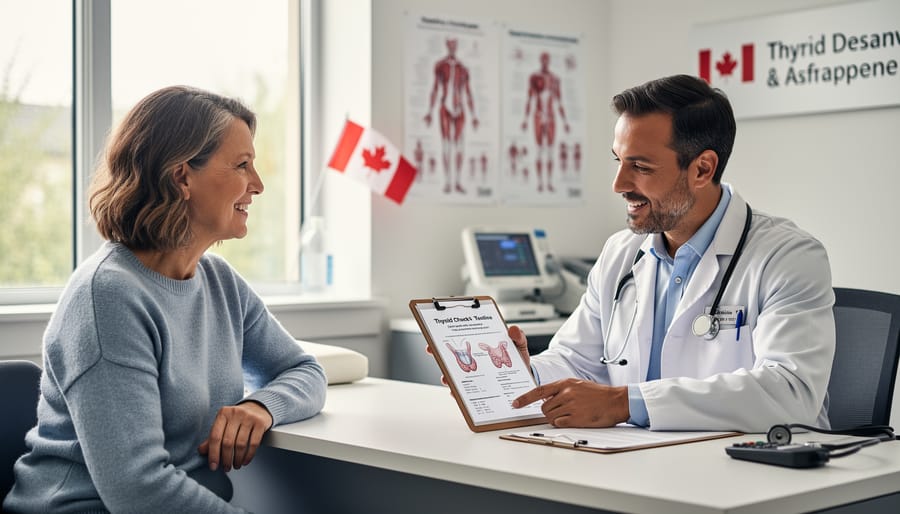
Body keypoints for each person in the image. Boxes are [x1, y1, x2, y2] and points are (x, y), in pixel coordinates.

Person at [3, 86, 327, 513]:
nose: (258, 184)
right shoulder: (108, 297)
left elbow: (305, 372)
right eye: (242, 165)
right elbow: (138, 490)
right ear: (182, 177)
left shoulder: (219, 283)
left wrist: (261, 406)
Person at [510, 74, 835, 433]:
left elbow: (792, 392)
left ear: (702, 169)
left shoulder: (787, 257)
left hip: (755, 471)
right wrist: (521, 372)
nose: (618, 184)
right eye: (618, 161)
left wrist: (625, 403)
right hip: (642, 462)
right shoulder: (621, 252)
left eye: (641, 167)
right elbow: (578, 360)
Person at [423, 37, 479, 194]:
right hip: (445, 108)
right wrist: (429, 111)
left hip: (460, 109)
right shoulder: (440, 66)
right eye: (450, 44)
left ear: (457, 46)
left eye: (455, 44)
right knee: (447, 146)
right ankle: (448, 181)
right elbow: (435, 88)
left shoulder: (464, 68)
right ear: (446, 45)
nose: (453, 47)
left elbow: (468, 92)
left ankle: (458, 181)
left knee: (460, 146)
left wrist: (474, 115)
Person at [521, 52, 570, 193]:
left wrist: (565, 121)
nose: (544, 62)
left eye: (546, 60)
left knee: (549, 151)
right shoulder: (534, 77)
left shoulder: (555, 79)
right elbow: (529, 99)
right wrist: (525, 119)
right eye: (542, 59)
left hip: (550, 117)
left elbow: (559, 101)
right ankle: (540, 183)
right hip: (538, 115)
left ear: (548, 61)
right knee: (538, 150)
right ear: (540, 60)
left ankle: (548, 182)